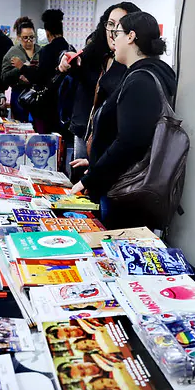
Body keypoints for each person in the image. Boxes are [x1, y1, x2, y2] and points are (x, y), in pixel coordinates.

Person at [70, 12, 176, 230]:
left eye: (117, 33)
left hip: (123, 191)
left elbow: (130, 142)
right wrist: (96, 160)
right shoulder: (142, 74)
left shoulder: (141, 80)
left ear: (131, 37)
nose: (113, 40)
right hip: (121, 182)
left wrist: (90, 180)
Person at [59, 2, 141, 179]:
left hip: (110, 144)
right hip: (83, 132)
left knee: (97, 190)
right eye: (110, 24)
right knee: (79, 188)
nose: (113, 31)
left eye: (120, 26)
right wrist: (66, 62)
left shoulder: (131, 64)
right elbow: (75, 61)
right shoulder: (97, 54)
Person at [28, 9, 71, 134]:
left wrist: (24, 68)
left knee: (46, 140)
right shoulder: (70, 48)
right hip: (64, 103)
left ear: (47, 33)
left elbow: (40, 78)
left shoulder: (46, 51)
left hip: (48, 104)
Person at [2, 17, 40, 121]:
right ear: (19, 37)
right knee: (20, 124)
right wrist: (19, 71)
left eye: (32, 37)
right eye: (25, 38)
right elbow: (4, 77)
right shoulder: (13, 52)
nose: (29, 41)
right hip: (19, 93)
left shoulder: (40, 51)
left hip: (36, 93)